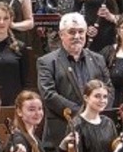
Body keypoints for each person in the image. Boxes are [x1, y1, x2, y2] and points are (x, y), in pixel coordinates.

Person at [37, 12, 114, 144]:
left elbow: (109, 89)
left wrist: (96, 112)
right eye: (72, 32)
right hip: (62, 130)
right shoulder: (46, 61)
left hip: (96, 132)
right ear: (61, 35)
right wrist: (84, 114)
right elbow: (49, 95)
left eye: (81, 32)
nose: (77, 36)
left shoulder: (98, 59)